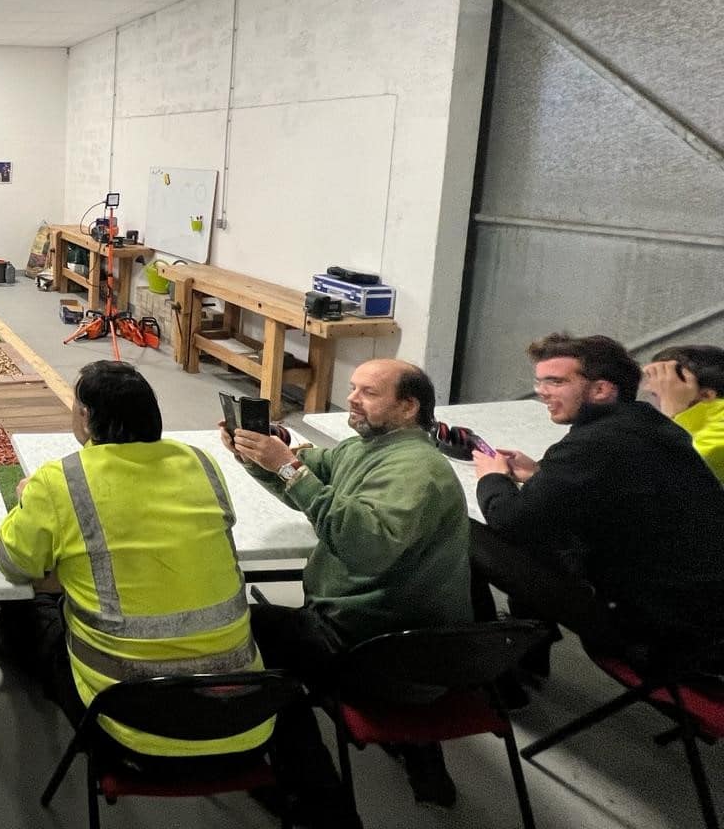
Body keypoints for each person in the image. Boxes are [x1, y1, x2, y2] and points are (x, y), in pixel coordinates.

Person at [0, 362, 308, 806]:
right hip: (243, 714)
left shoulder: (59, 480)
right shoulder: (200, 462)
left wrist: (28, 505)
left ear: (85, 416)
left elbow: (13, 563)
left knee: (6, 615)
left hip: (128, 724)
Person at [223, 358, 471, 812]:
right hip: (400, 634)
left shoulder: (416, 470)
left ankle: (313, 798)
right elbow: (305, 472)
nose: (352, 398)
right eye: (353, 388)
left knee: (241, 636)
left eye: (369, 392)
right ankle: (419, 751)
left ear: (409, 406)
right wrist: (257, 456)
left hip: (376, 645)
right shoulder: (366, 448)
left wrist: (290, 470)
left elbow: (365, 546)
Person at [473, 333, 724, 661]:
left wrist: (491, 476)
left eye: (555, 381)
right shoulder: (641, 424)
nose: (542, 392)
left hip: (660, 627)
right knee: (544, 533)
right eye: (540, 382)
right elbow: (607, 493)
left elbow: (511, 520)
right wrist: (538, 474)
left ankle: (492, 659)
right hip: (698, 610)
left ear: (602, 390)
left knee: (469, 535)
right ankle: (527, 645)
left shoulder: (599, 443)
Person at [642, 344, 724, 484]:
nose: (658, 404)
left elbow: (664, 479)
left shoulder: (713, 442)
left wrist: (672, 414)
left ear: (706, 395)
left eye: (661, 394)